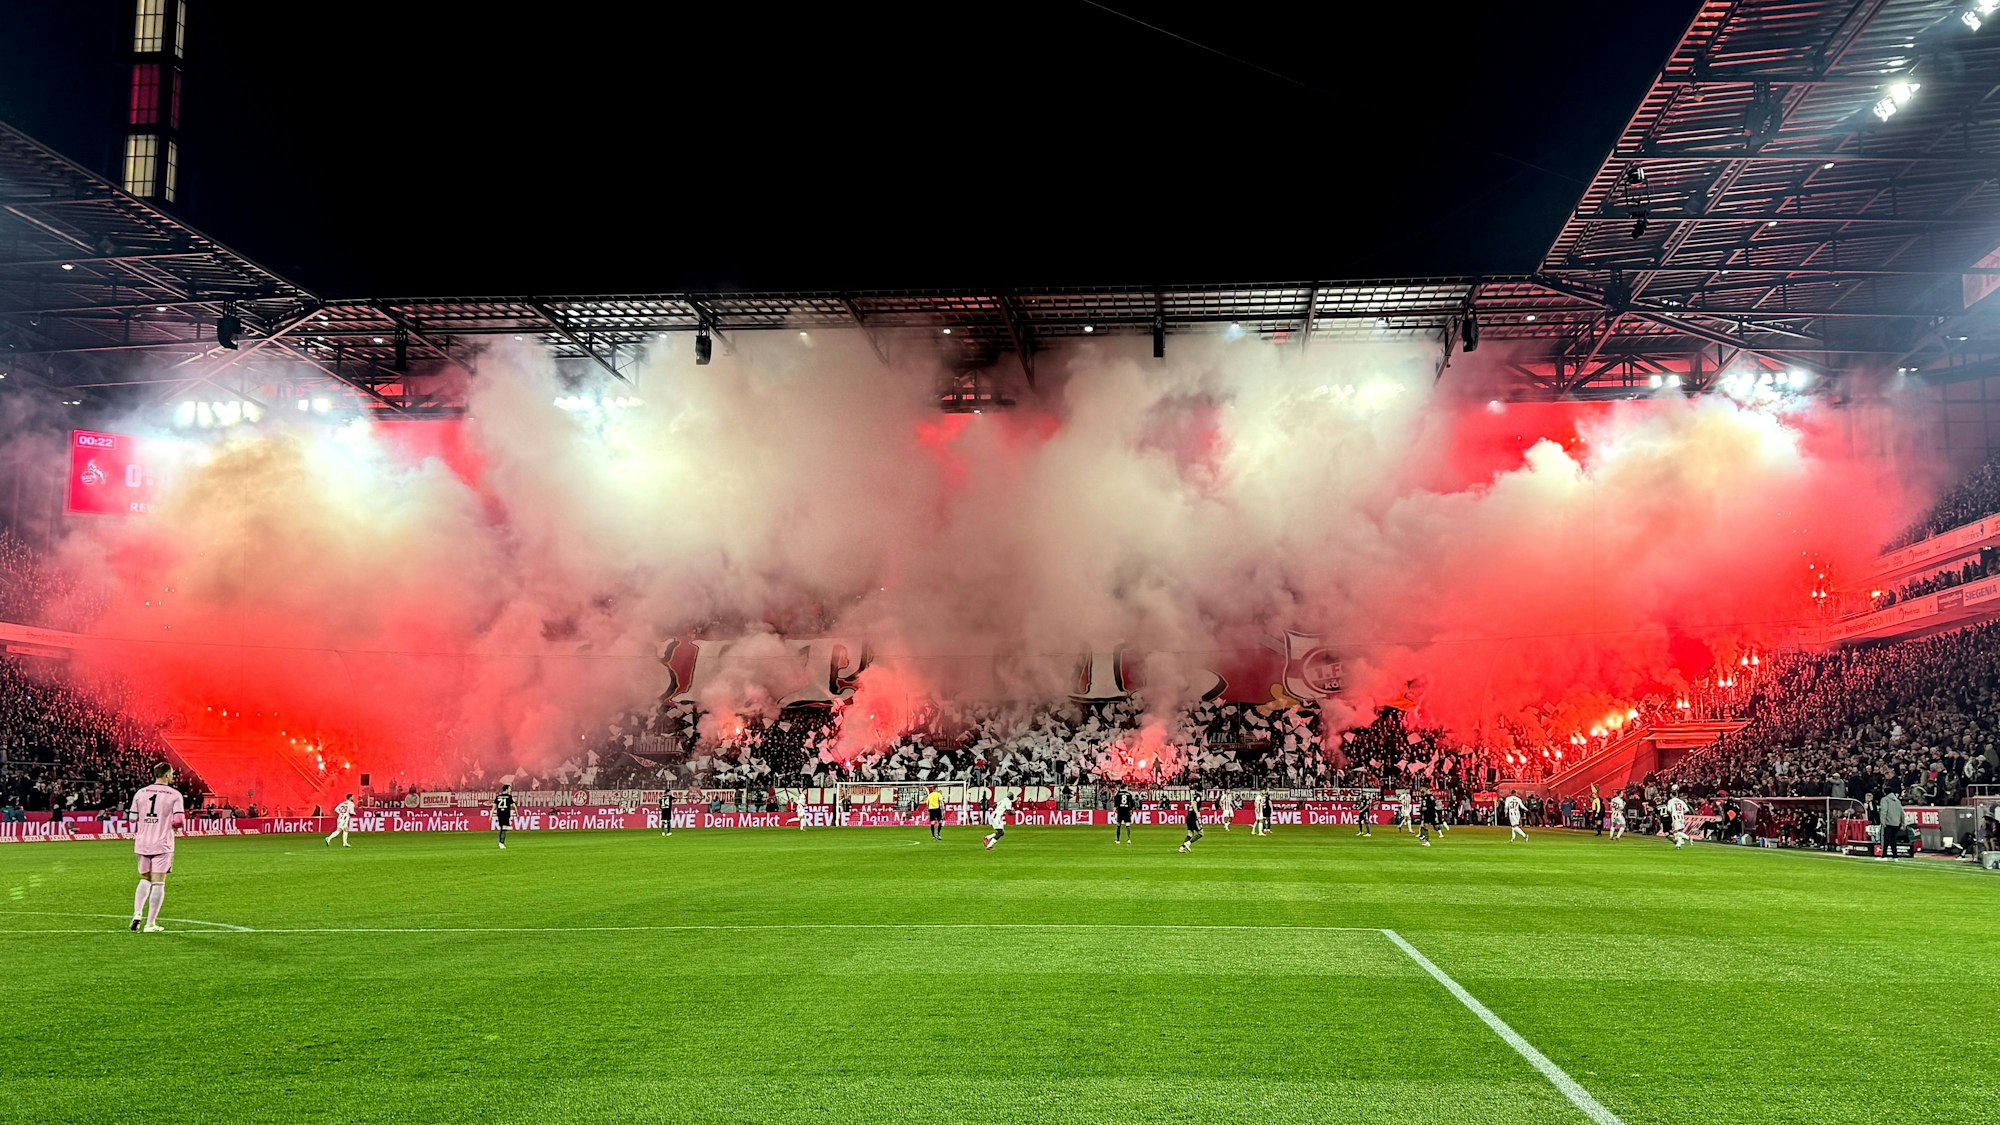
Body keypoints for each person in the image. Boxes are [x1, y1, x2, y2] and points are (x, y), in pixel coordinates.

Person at [127, 762, 185, 933]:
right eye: (172, 773)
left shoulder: (141, 792)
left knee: (145, 878)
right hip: (162, 843)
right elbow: (179, 820)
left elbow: (131, 818)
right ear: (166, 775)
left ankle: (137, 913)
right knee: (158, 883)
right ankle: (150, 924)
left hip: (143, 842)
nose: (173, 776)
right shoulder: (174, 795)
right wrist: (173, 825)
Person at [1879, 787, 1906, 860]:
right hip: (1897, 823)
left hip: (1888, 822)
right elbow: (1902, 813)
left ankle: (1884, 856)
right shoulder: (1897, 801)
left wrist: (1882, 822)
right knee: (1893, 840)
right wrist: (1903, 823)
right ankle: (1895, 856)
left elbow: (1884, 811)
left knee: (1886, 840)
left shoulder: (1885, 800)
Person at [493, 783, 515, 849]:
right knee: (504, 828)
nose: (510, 790)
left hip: (500, 814)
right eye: (510, 788)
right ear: (507, 789)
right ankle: (501, 843)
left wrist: (491, 815)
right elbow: (514, 806)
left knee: (503, 828)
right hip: (506, 814)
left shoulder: (498, 797)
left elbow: (493, 807)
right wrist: (517, 813)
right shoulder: (509, 797)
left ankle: (501, 843)